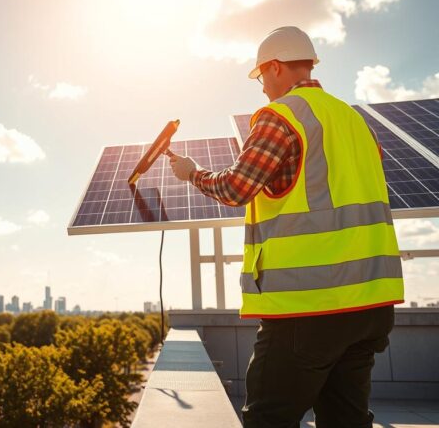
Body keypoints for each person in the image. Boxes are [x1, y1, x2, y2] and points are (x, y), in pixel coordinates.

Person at [169, 26, 404, 428]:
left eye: (261, 77)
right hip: (369, 304)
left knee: (268, 419)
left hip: (308, 306)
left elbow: (236, 187)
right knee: (346, 420)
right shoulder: (356, 122)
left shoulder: (282, 117)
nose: (262, 89)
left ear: (275, 67)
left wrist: (193, 174)